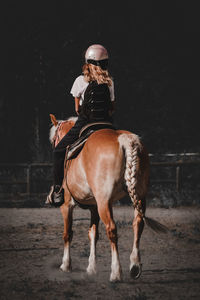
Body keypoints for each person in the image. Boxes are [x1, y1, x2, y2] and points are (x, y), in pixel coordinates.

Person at [47, 44, 115, 207]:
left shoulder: (80, 80)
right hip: (106, 124)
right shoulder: (110, 82)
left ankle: (57, 191)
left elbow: (77, 109)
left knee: (59, 151)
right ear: (106, 63)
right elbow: (112, 108)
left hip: (86, 123)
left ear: (87, 61)